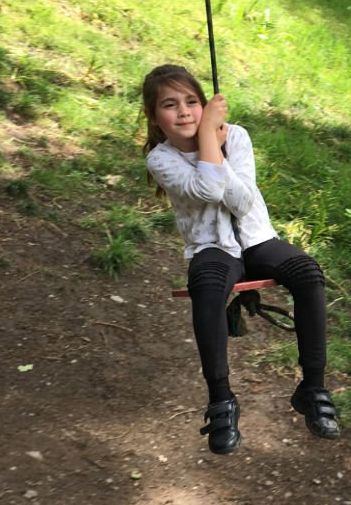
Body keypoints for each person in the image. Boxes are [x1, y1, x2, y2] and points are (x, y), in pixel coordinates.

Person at [141, 63, 340, 454]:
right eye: (170, 105)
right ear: (154, 117)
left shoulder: (239, 137)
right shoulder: (160, 160)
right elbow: (210, 188)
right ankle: (221, 401)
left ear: (206, 104)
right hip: (211, 247)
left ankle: (313, 388)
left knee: (307, 272)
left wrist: (216, 140)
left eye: (192, 102)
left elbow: (244, 200)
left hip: (257, 239)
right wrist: (209, 140)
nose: (183, 112)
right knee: (208, 285)